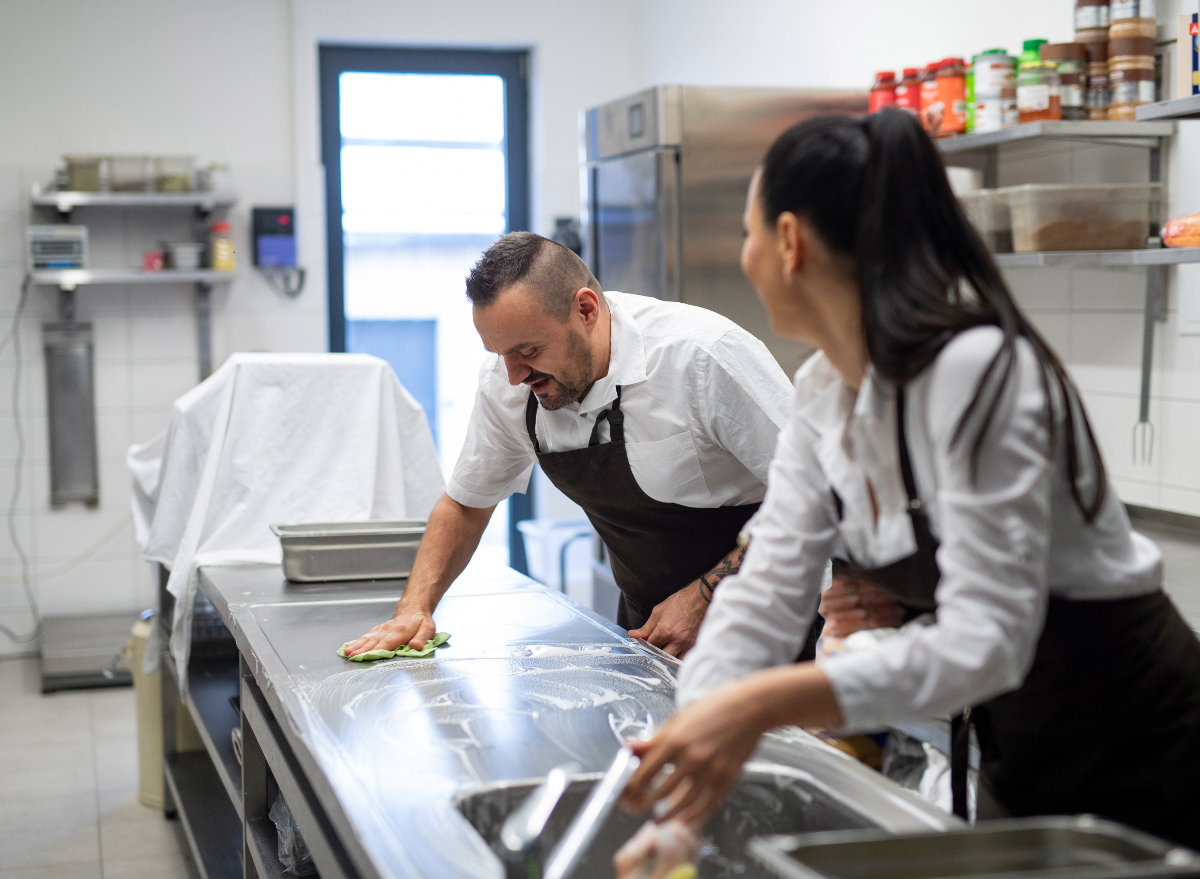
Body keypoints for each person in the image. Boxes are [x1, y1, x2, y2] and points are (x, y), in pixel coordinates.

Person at [620, 109, 1200, 847]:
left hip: (1141, 736)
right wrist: (684, 802)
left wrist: (760, 702)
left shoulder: (977, 370)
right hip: (1014, 736)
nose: (744, 254)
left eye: (747, 232)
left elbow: (987, 638)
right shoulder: (824, 393)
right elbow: (765, 594)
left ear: (790, 241)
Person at [342, 232, 798, 659]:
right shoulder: (509, 384)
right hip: (651, 629)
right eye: (499, 354)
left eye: (529, 351)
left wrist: (703, 598)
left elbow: (817, 496)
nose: (514, 375)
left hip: (768, 619)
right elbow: (466, 505)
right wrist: (414, 609)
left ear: (586, 310)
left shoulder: (701, 357)